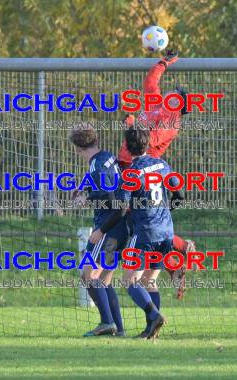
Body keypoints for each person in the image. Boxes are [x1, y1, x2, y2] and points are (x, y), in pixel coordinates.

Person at [92, 127, 184, 339]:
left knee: (130, 280)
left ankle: (154, 315)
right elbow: (179, 194)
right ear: (148, 144)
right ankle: (152, 330)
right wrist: (165, 212)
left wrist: (102, 227)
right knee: (149, 281)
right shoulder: (162, 165)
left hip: (146, 232)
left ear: (126, 146)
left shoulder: (130, 174)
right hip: (167, 232)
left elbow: (122, 208)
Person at [119, 50, 195, 298]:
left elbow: (147, 141)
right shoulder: (157, 104)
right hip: (128, 166)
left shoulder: (170, 124)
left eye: (174, 96)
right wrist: (164, 62)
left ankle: (180, 247)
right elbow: (151, 82)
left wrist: (132, 125)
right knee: (135, 222)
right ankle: (177, 251)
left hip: (142, 172)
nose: (169, 95)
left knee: (135, 219)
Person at [69, 125, 128, 337]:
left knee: (87, 275)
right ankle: (118, 328)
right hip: (120, 228)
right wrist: (85, 187)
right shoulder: (107, 157)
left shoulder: (96, 166)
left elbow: (111, 198)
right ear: (96, 141)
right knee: (103, 280)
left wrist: (100, 229)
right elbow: (108, 185)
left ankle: (106, 323)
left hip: (108, 227)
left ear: (77, 148)